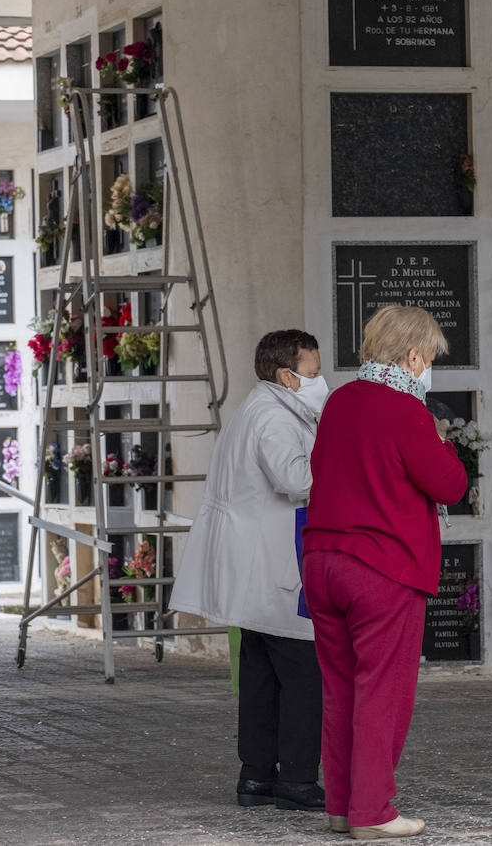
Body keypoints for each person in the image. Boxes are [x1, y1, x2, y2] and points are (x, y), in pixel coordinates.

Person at [303, 306, 467, 840]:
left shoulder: (341, 400)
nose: (430, 369)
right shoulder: (405, 409)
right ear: (413, 356)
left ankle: (341, 805)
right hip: (382, 567)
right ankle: (372, 813)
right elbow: (450, 485)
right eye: (430, 359)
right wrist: (443, 438)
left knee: (341, 687)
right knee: (382, 691)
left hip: (324, 560)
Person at [169, 329, 330, 813]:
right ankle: (298, 780)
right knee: (304, 674)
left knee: (261, 675)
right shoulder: (273, 418)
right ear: (287, 374)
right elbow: (297, 479)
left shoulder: (261, 407)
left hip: (257, 565)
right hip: (272, 567)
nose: (321, 380)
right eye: (314, 372)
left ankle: (257, 775)